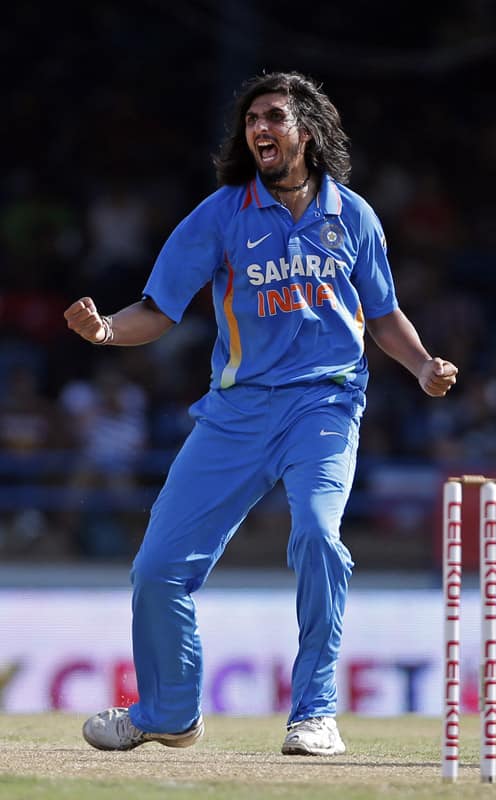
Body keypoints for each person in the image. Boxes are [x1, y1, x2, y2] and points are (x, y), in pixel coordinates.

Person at [64, 71, 458, 757]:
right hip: (236, 412)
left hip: (324, 403)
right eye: (251, 120)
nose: (259, 130)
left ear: (307, 131)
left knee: (314, 534)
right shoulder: (222, 214)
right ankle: (169, 712)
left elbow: (383, 313)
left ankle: (314, 713)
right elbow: (157, 311)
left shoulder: (353, 216)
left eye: (274, 116)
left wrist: (422, 363)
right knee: (157, 569)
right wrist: (104, 333)